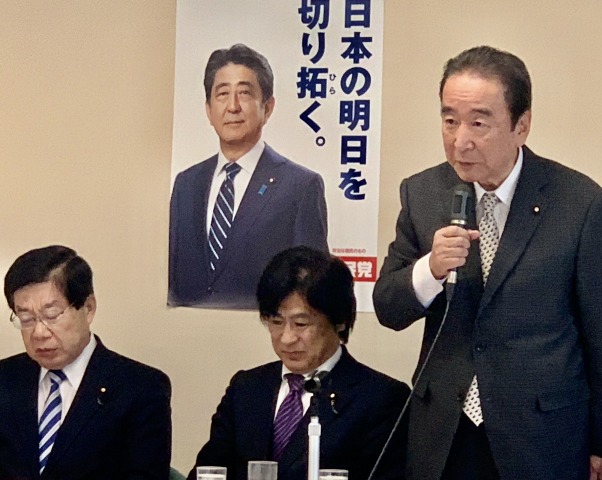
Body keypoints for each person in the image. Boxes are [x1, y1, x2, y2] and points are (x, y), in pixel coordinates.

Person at [373, 46, 602, 480]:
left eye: (479, 123)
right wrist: (430, 270)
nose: (461, 140)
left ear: (521, 125)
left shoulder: (580, 203)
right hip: (445, 433)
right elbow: (388, 307)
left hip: (542, 436)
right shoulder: (422, 193)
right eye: (450, 120)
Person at [189, 246, 410, 480]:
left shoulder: (382, 399)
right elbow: (208, 472)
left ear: (340, 321)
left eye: (301, 324)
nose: (287, 338)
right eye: (276, 322)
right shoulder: (246, 389)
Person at [169, 43, 329, 310]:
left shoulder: (300, 186)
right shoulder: (186, 184)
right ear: (208, 109)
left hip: (263, 330)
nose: (232, 106)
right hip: (187, 331)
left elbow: (313, 288)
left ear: (268, 107)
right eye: (222, 94)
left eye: (244, 93)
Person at [0, 245, 172, 480]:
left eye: (51, 315)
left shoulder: (141, 388)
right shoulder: (5, 379)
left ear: (88, 308)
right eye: (26, 318)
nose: (39, 332)